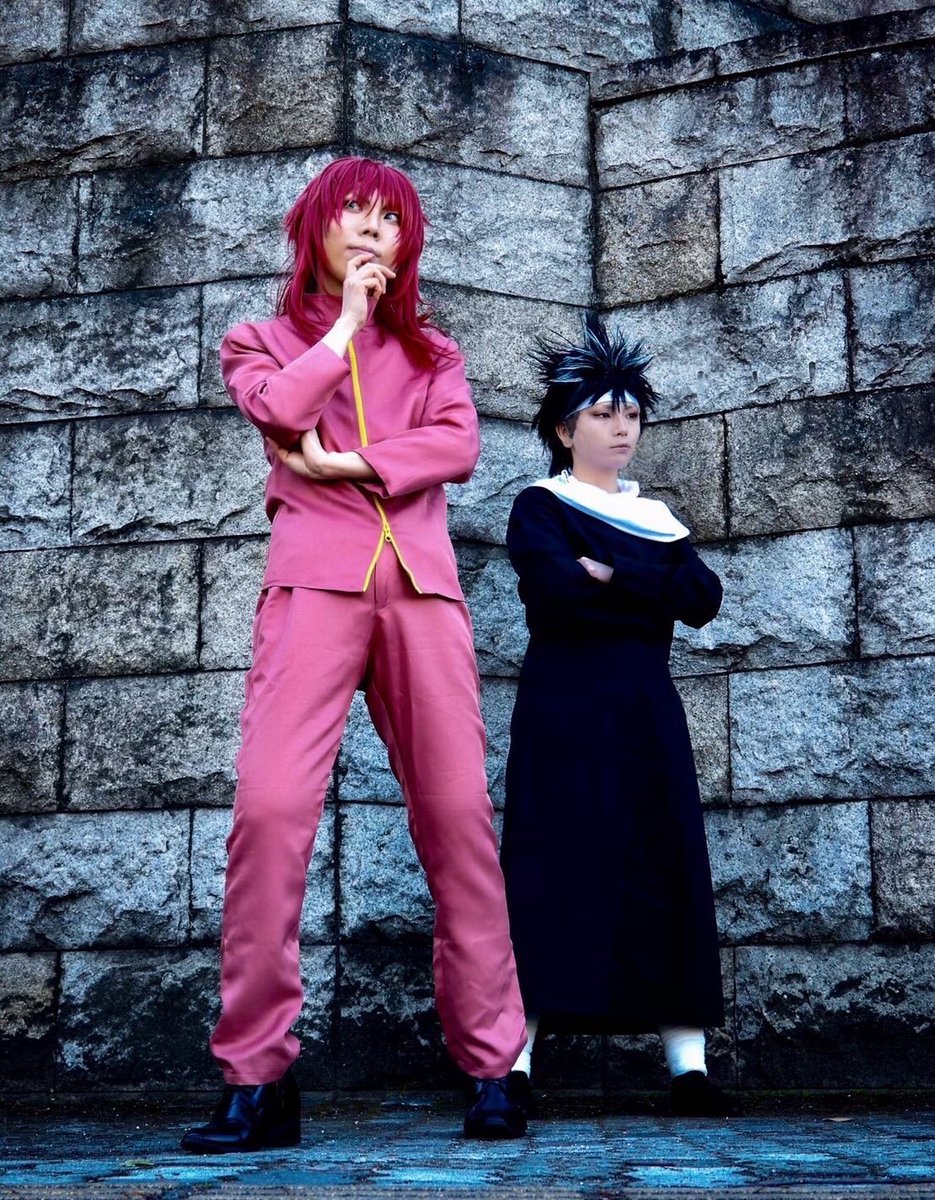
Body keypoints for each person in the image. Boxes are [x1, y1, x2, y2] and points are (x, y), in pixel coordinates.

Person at [181, 157, 528, 1152]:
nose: (372, 229)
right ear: (317, 229)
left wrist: (348, 463)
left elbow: (456, 445)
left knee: (458, 817)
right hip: (312, 589)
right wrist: (340, 329)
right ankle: (257, 1078)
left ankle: (493, 1065)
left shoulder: (434, 352)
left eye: (390, 218)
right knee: (269, 813)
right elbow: (279, 409)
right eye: (354, 213)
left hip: (421, 593)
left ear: (407, 242)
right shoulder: (257, 339)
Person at [499, 313, 736, 1117]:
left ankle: (688, 1069)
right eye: (602, 414)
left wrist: (613, 571)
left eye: (630, 413)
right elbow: (557, 592)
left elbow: (701, 598)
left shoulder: (657, 515)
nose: (621, 427)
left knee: (663, 868)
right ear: (565, 430)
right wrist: (641, 583)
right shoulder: (539, 507)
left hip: (644, 712)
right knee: (546, 873)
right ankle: (513, 1062)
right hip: (562, 712)